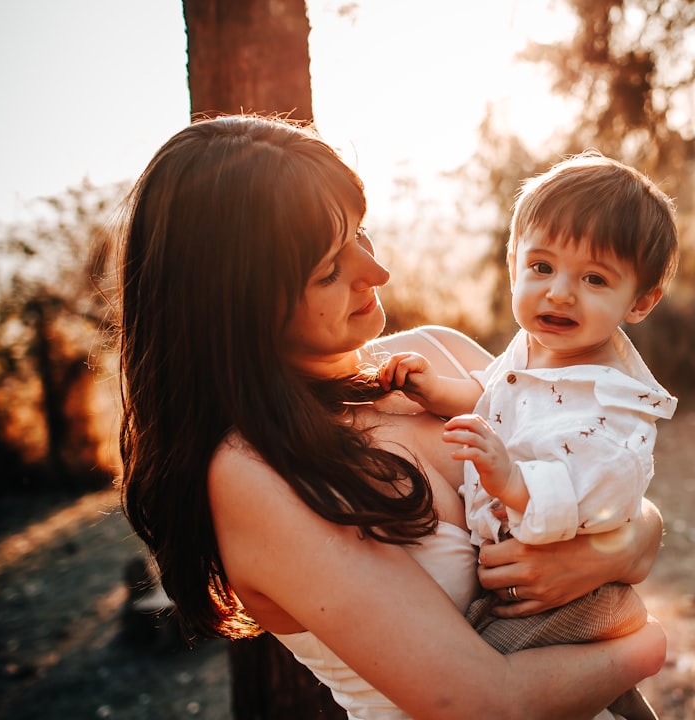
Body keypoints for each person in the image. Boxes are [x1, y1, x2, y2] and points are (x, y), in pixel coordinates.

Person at [114, 114, 667, 720]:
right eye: (329, 268)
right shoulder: (255, 472)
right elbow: (485, 705)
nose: (376, 273)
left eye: (361, 233)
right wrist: (646, 646)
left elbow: (611, 481)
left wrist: (617, 549)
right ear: (236, 305)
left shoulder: (440, 354)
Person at [379, 151, 679, 719]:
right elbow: (495, 399)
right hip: (538, 593)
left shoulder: (610, 400)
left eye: (594, 279)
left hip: (572, 596)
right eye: (541, 267)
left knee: (488, 653)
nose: (559, 293)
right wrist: (433, 391)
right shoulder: (531, 355)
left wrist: (513, 481)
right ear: (514, 262)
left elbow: (599, 493)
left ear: (639, 302)